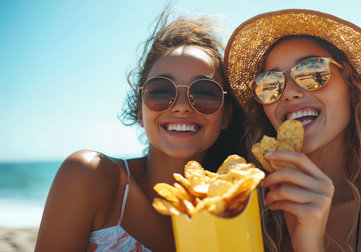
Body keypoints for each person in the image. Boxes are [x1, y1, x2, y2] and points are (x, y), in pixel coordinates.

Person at [224, 9, 361, 252]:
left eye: (312, 72)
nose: (289, 92)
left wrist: (308, 245)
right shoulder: (247, 210)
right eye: (269, 84)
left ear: (351, 86)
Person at [35, 9, 244, 252]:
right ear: (140, 112)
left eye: (204, 93)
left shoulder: (240, 209)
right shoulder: (88, 176)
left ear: (226, 115)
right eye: (161, 91)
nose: (181, 106)